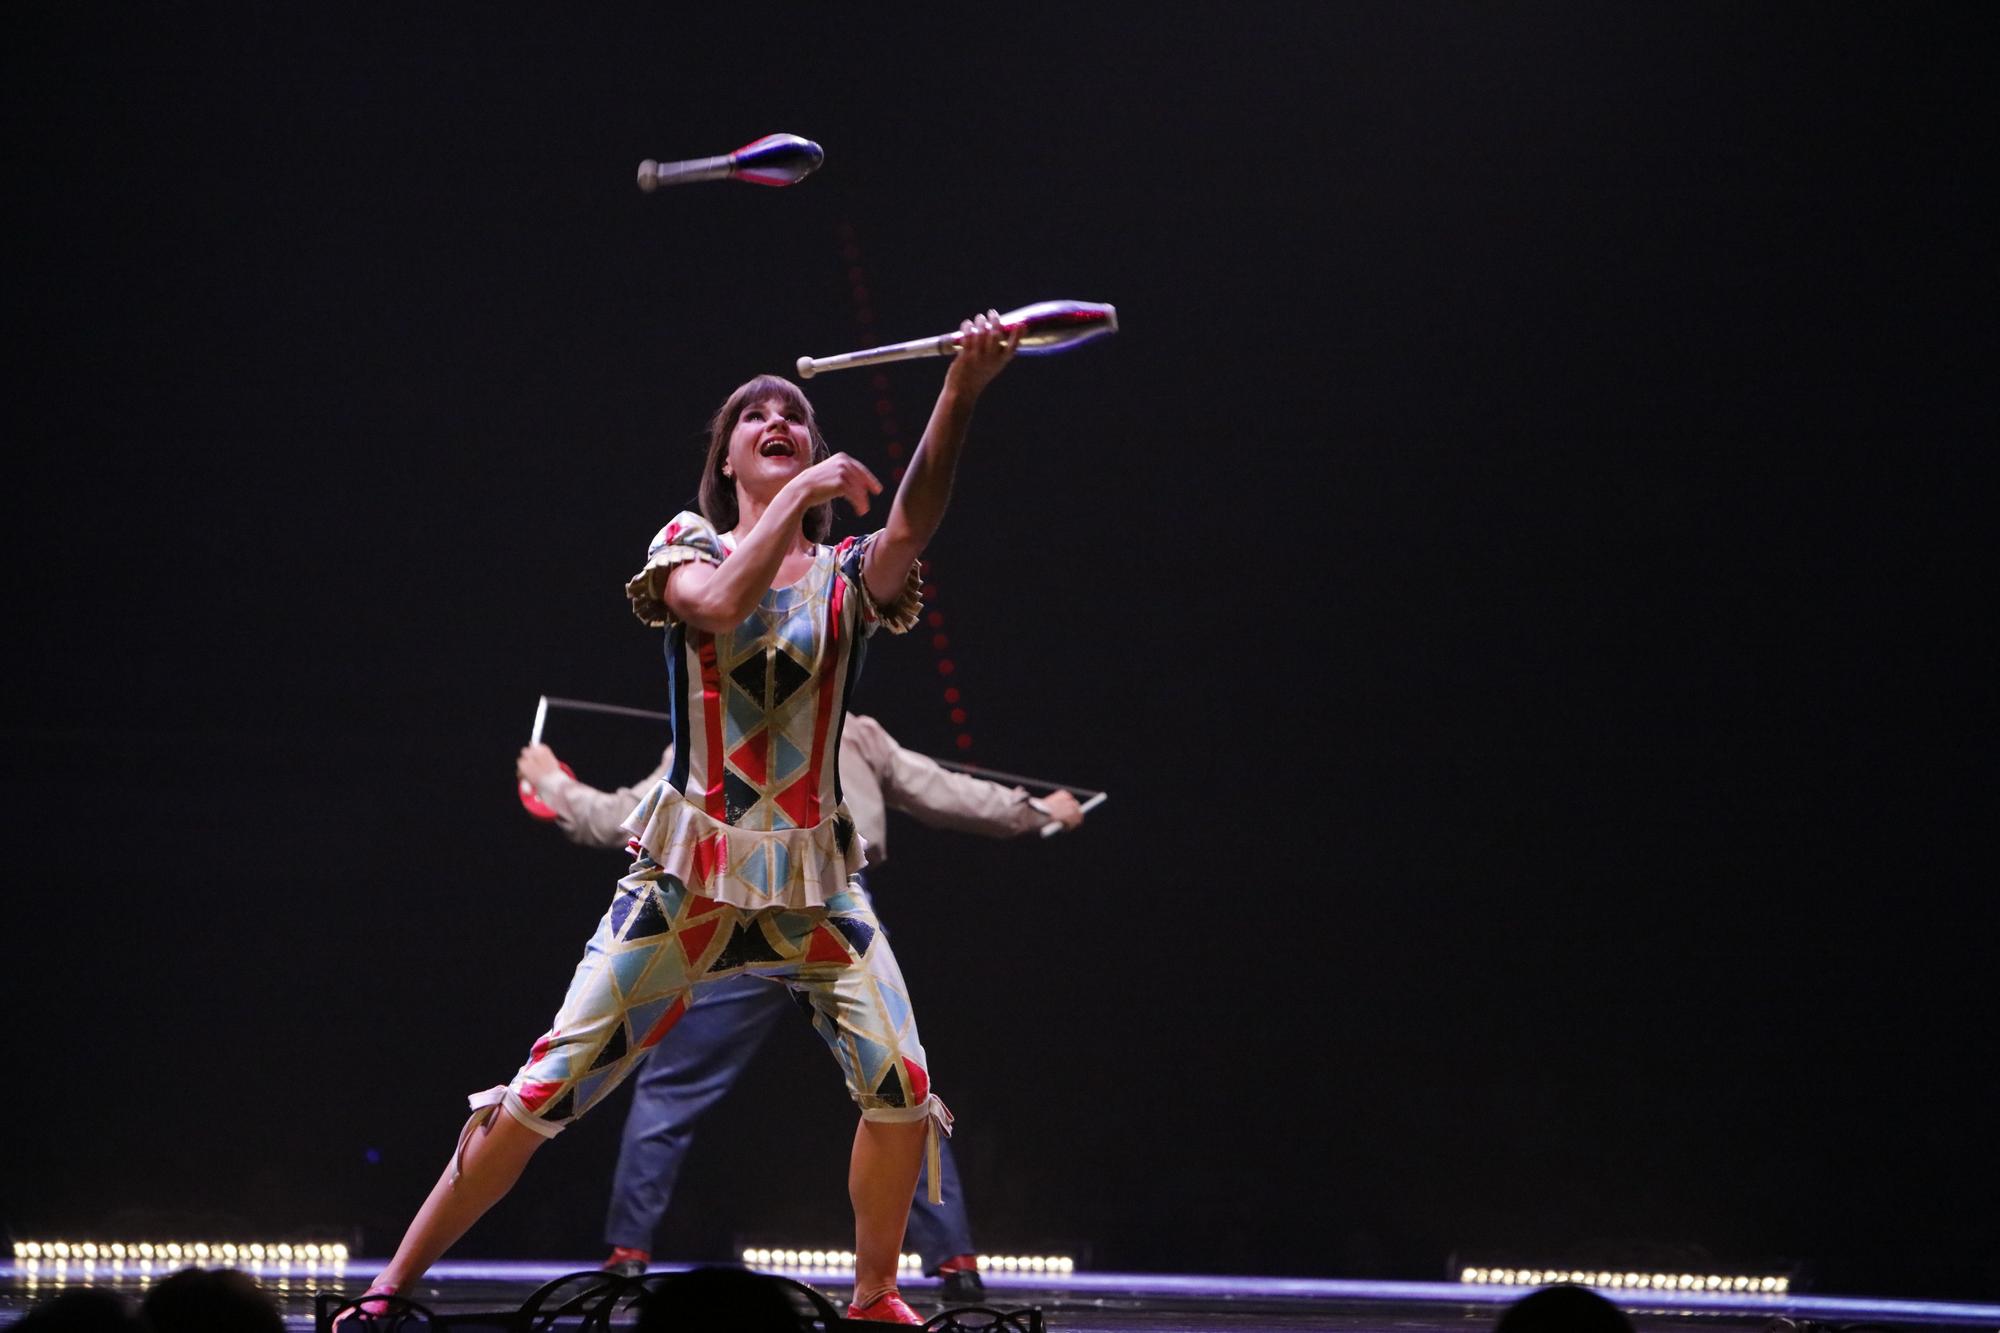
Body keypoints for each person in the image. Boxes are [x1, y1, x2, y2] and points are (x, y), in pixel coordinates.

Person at [350, 311, 1020, 1326]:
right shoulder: (687, 544)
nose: (777, 418)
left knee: (900, 1083)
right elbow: (715, 607)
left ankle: (875, 1293)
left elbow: (912, 524)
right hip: (685, 880)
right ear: (727, 459)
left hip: (814, 886)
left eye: (793, 412)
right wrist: (800, 493)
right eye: (754, 415)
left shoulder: (846, 579)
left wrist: (960, 390)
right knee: (545, 1086)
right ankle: (388, 1289)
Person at [517, 714, 1087, 1302]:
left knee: (889, 1083)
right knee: (894, 1083)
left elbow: (942, 790)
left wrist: (551, 783)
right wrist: (1035, 811)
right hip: (775, 907)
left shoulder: (741, 721)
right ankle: (953, 1259)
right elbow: (942, 790)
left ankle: (628, 1252)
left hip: (785, 907)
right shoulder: (815, 723)